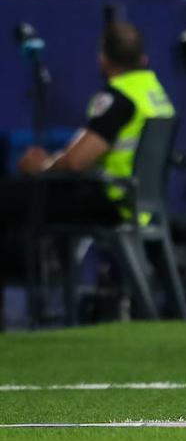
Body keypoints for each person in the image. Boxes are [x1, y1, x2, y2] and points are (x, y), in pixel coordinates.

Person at [0, 22, 174, 286]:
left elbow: (76, 162)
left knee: (9, 198)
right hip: (141, 203)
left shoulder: (118, 98)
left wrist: (42, 166)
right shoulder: (156, 94)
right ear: (143, 58)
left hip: (111, 200)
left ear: (103, 59)